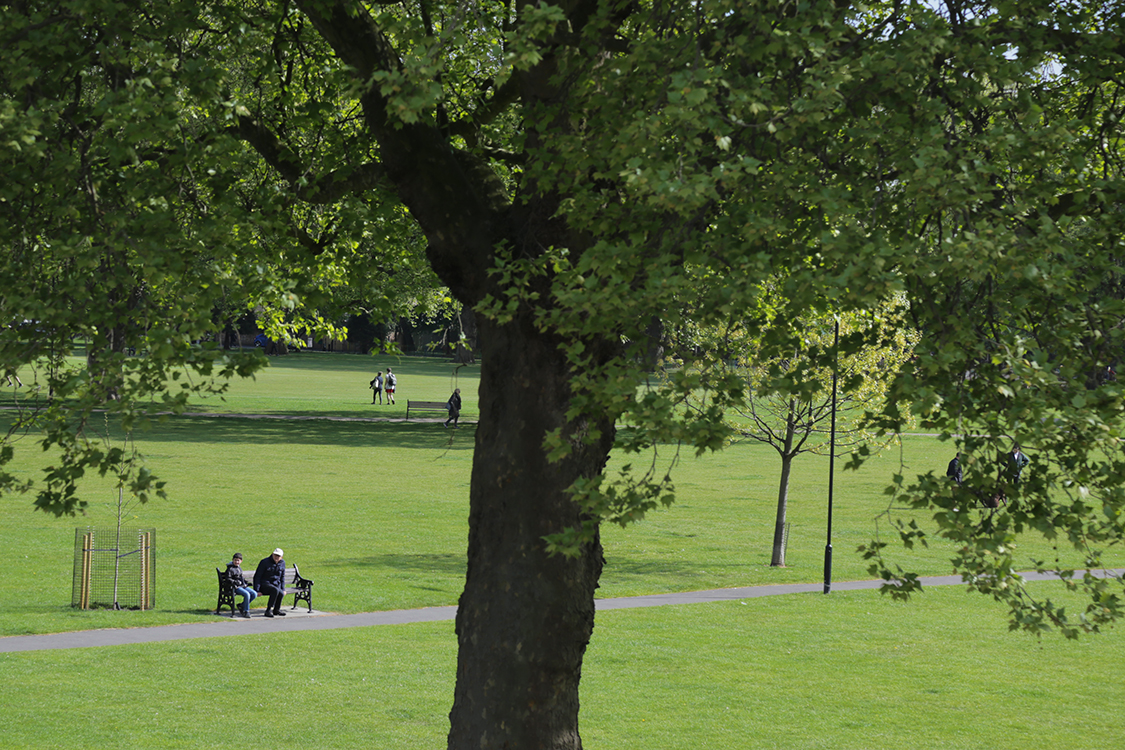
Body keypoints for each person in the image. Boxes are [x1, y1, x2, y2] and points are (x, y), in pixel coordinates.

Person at [254, 548, 287, 617]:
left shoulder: (282, 563)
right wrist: (257, 590)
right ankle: (268, 610)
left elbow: (282, 577)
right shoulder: (264, 562)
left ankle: (276, 610)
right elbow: (257, 576)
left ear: (281, 557)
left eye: (278, 556)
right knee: (275, 590)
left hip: (275, 585)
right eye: (275, 555)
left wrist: (283, 589)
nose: (276, 557)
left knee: (281, 592)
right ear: (272, 554)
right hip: (265, 584)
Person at [225, 552, 256, 618]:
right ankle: (246, 611)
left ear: (241, 561)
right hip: (235, 587)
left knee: (254, 594)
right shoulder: (230, 569)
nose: (236, 562)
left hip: (242, 586)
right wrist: (235, 582)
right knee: (247, 594)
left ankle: (242, 605)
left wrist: (246, 583)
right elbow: (228, 579)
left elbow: (241, 578)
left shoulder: (239, 568)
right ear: (232, 560)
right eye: (235, 560)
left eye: (238, 560)